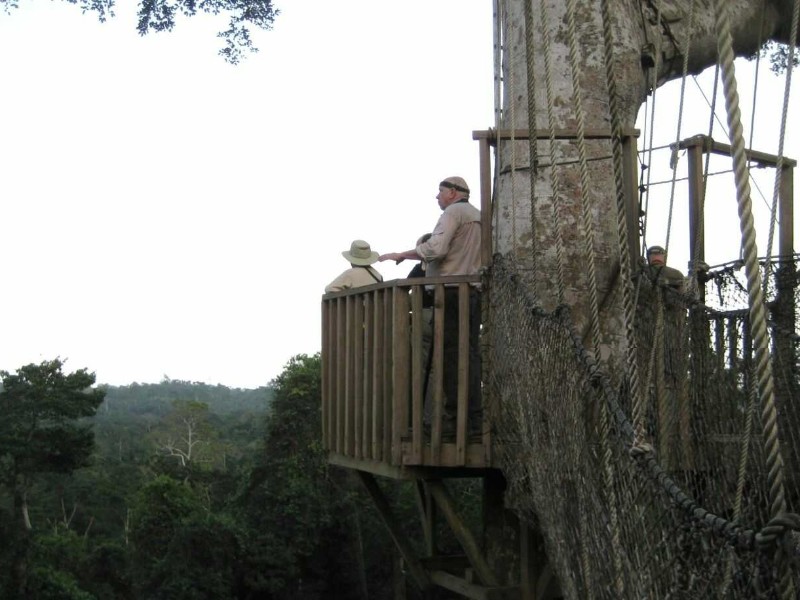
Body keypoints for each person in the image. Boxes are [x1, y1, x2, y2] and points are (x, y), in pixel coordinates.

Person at [379, 177, 482, 437]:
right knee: (469, 355)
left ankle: (454, 422)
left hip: (449, 293)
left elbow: (436, 249)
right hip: (472, 292)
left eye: (440, 192)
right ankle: (473, 420)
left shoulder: (453, 213)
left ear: (453, 193)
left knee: (450, 357)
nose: (437, 197)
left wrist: (403, 253)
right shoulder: (478, 216)